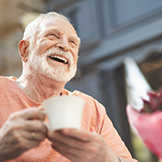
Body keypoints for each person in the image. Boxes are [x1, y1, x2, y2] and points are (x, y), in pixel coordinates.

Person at [0, 11, 138, 162]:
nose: (65, 46)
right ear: (25, 50)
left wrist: (108, 159)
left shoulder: (91, 108)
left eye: (73, 43)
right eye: (52, 36)